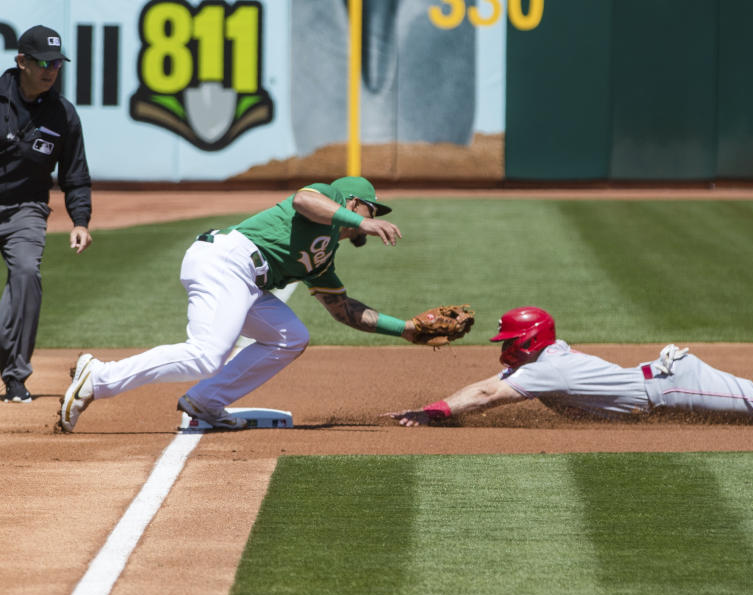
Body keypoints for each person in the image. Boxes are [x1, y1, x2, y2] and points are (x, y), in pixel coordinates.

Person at [58, 176, 436, 432]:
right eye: (373, 211)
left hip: (247, 283)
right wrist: (360, 221)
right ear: (353, 202)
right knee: (206, 355)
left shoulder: (322, 257)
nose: (375, 220)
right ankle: (99, 377)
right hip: (226, 262)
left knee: (291, 337)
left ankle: (206, 401)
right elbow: (305, 200)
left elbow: (344, 310)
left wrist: (405, 329)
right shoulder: (328, 196)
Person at [388, 288, 753, 426]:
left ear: (526, 341)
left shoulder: (547, 368)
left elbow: (484, 393)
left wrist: (435, 410)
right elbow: (489, 385)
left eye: (506, 339)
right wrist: (445, 410)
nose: (501, 347)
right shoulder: (537, 362)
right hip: (665, 382)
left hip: (668, 385)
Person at [1, 25, 93, 403]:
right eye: (42, 62)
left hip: (26, 207)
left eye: (56, 62)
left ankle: (16, 376)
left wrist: (80, 221)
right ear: (21, 61)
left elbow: (75, 174)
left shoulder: (62, 114)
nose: (50, 69)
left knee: (26, 274)